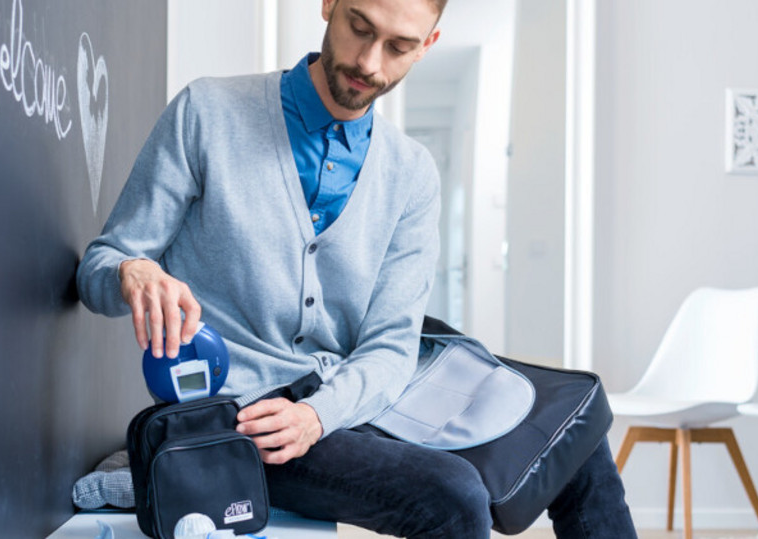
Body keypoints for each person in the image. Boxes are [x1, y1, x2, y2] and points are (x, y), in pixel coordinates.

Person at [76, 0, 637, 537]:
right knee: (455, 496)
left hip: (348, 401)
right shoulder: (207, 113)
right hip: (244, 420)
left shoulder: (412, 173)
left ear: (427, 47)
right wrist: (133, 270)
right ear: (328, 4)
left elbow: (392, 342)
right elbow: (99, 269)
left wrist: (320, 415)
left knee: (577, 430)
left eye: (399, 46)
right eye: (360, 27)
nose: (370, 63)